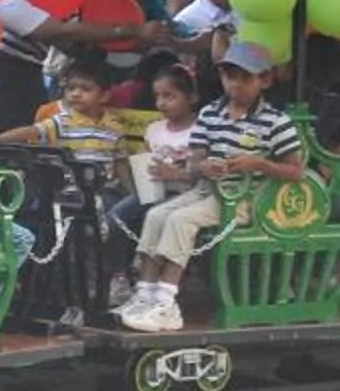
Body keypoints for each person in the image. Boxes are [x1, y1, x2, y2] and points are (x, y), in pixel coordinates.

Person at [120, 40, 305, 332]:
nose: (236, 85)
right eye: (230, 76)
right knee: (156, 215)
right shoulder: (209, 114)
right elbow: (195, 164)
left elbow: (296, 172)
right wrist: (204, 167)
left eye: (245, 78)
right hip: (206, 190)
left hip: (245, 198)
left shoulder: (277, 122)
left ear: (264, 80)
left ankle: (167, 301)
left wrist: (257, 164)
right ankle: (146, 294)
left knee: (181, 220)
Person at [109, 64, 200, 310]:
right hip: (154, 190)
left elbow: (200, 174)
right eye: (158, 96)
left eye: (169, 96)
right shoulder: (154, 130)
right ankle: (120, 276)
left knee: (156, 217)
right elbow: (148, 159)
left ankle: (156, 281)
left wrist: (176, 172)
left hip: (184, 193)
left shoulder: (199, 131)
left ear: (191, 97)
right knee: (117, 215)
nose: (162, 102)